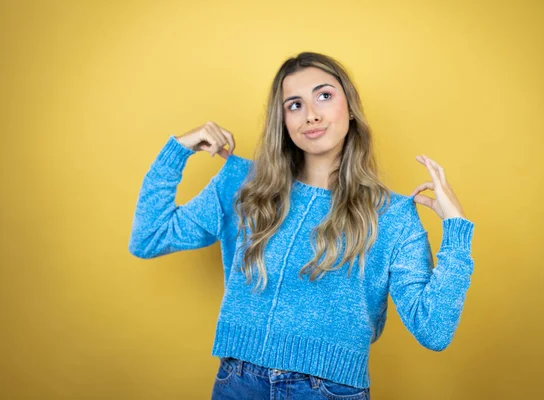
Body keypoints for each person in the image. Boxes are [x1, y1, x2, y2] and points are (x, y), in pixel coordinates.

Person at [129, 51, 475, 399]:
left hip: (328, 391)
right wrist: (178, 150)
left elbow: (434, 329)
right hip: (238, 383)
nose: (311, 115)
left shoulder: (393, 215)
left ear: (350, 108)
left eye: (324, 96)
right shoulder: (242, 185)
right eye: (294, 105)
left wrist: (456, 230)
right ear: (283, 121)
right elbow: (149, 238)